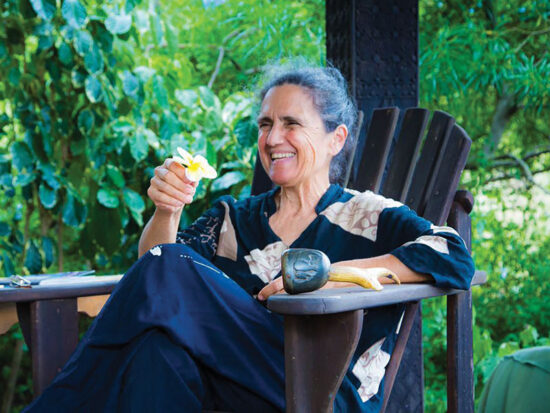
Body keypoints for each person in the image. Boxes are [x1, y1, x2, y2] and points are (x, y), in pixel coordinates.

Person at [25, 64, 475, 412]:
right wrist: (167, 210)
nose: (273, 137)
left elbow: (454, 255)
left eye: (291, 123)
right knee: (156, 353)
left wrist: (335, 273)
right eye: (264, 124)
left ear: (336, 139)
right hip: (236, 384)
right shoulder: (234, 219)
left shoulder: (366, 215)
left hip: (325, 392)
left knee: (168, 267)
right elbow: (154, 274)